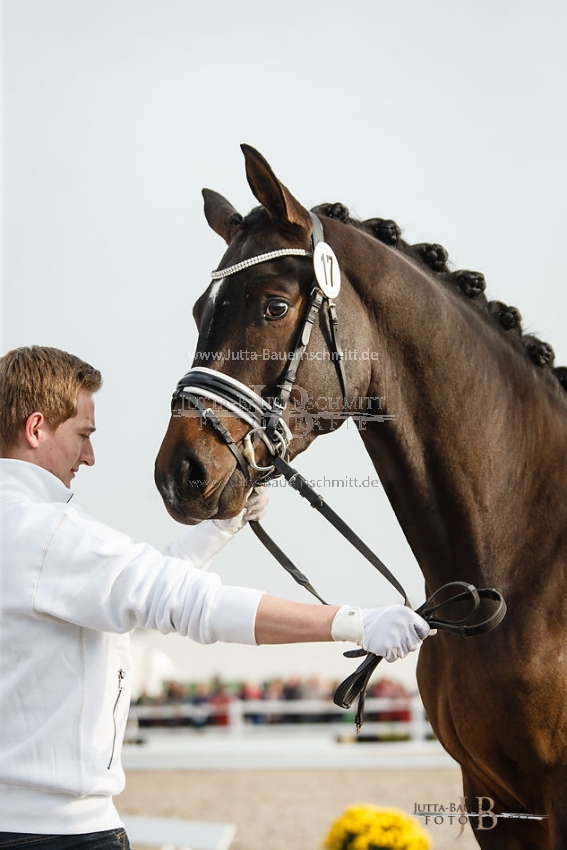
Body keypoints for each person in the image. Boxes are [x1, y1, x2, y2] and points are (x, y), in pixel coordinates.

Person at [0, 346, 432, 848]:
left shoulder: (27, 535)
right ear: (36, 429)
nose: (90, 457)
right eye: (84, 435)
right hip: (59, 834)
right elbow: (191, 605)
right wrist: (355, 622)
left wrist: (221, 529)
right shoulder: (50, 533)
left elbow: (141, 593)